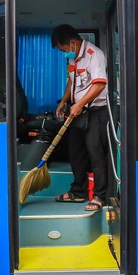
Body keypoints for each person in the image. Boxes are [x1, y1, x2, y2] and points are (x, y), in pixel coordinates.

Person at [51, 24, 108, 211]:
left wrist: (80, 103)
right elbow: (72, 80)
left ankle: (100, 196)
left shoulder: (94, 54)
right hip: (78, 112)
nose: (64, 54)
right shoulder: (74, 58)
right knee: (75, 153)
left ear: (73, 43)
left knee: (95, 154)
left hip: (96, 113)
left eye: (64, 49)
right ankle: (78, 191)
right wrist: (64, 101)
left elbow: (99, 84)